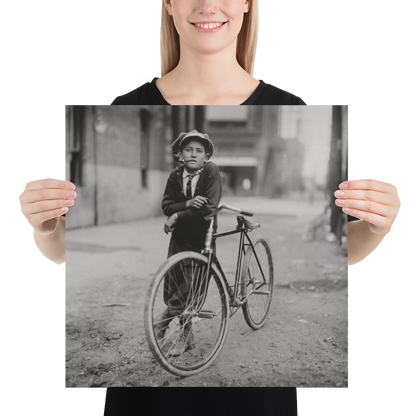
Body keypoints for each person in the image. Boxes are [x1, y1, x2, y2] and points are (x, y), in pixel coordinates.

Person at [18, 0, 403, 267]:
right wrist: (43, 228)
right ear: (168, 3)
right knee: (174, 279)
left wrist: (378, 228)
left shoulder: (294, 104)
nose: (208, 4)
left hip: (204, 231)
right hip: (178, 234)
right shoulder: (120, 105)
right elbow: (59, 252)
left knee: (203, 271)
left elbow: (351, 253)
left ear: (248, 3)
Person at [156, 130, 222, 356]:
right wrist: (188, 204)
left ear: (206, 156)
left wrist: (178, 215)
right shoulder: (175, 176)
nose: (193, 154)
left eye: (199, 151)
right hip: (179, 238)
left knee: (191, 287)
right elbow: (166, 205)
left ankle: (162, 323)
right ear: (179, 154)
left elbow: (209, 207)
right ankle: (188, 337)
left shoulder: (211, 171)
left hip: (202, 236)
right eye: (188, 150)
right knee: (174, 282)